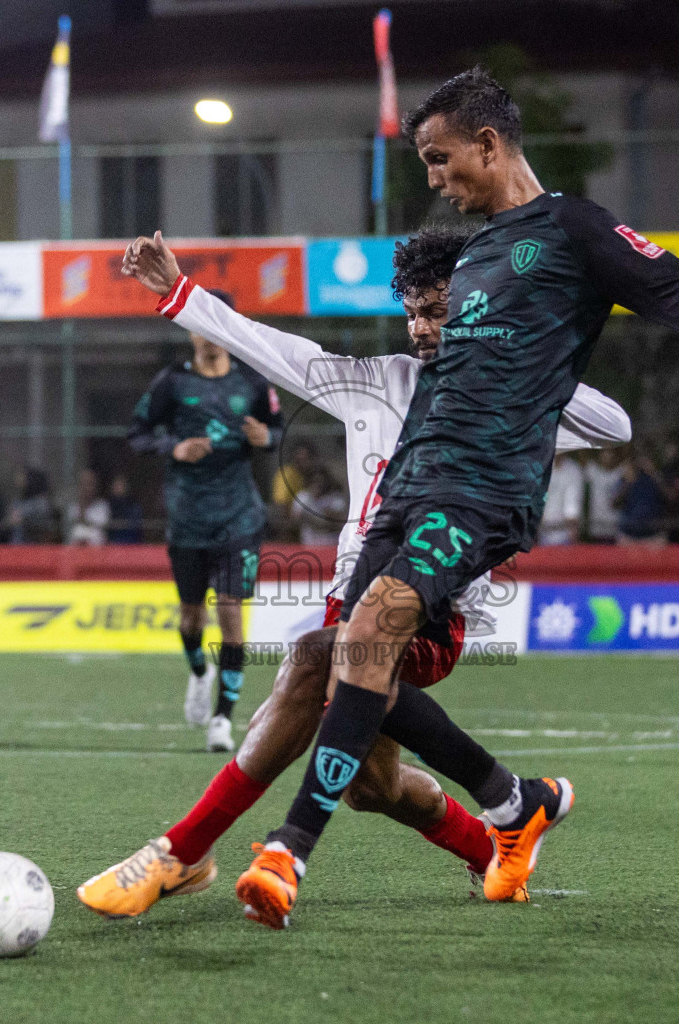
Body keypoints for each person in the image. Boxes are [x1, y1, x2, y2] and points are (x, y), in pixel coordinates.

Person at [230, 67, 679, 929]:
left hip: (482, 492)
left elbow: (668, 284)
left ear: (489, 144)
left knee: (365, 634)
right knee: (360, 670)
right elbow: (452, 378)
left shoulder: (572, 228)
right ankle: (515, 804)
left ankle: (287, 853)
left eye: (440, 159)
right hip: (417, 486)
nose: (433, 179)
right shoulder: (471, 255)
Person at [79, 225, 631, 922]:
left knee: (312, 661)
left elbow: (615, 426)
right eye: (414, 311)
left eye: (438, 310)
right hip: (353, 598)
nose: (421, 327)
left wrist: (520, 359)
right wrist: (179, 293)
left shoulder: (511, 390)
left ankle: (182, 854)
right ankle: (494, 842)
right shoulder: (374, 382)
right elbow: (270, 348)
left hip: (431, 610)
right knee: (373, 785)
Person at [127, 290, 286, 753]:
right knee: (191, 616)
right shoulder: (172, 383)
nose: (210, 334)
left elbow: (275, 430)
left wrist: (266, 437)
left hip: (240, 516)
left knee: (231, 615)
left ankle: (223, 718)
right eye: (202, 323)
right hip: (188, 518)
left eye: (220, 323)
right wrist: (172, 448)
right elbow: (137, 434)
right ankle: (200, 671)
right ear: (190, 329)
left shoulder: (253, 383)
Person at [293, 465, 348, 547]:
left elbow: (342, 524)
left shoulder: (336, 499)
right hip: (309, 544)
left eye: (321, 481)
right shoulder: (303, 497)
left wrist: (328, 516)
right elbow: (294, 522)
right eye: (314, 481)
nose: (318, 485)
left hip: (330, 544)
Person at [537, 453, 584, 545]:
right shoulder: (541, 466)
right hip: (544, 530)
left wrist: (573, 526)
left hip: (565, 531)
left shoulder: (573, 469)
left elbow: (573, 499)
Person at [7, 467, 59, 544]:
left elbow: (44, 524)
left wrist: (24, 519)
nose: (19, 482)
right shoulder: (18, 501)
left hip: (33, 544)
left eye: (23, 478)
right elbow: (11, 520)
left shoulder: (41, 502)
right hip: (16, 544)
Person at [584, 447, 624, 543]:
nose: (607, 457)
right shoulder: (593, 471)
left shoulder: (620, 472)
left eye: (610, 454)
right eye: (605, 454)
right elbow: (583, 454)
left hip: (614, 526)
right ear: (600, 455)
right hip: (596, 527)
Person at [65, 468, 111, 546]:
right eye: (83, 484)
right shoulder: (72, 507)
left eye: (89, 484)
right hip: (75, 550)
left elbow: (101, 527)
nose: (86, 488)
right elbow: (68, 530)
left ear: (95, 486)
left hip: (96, 549)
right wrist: (82, 504)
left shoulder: (103, 506)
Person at [104, 474, 143, 543]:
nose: (118, 489)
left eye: (120, 486)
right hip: (112, 544)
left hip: (130, 543)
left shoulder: (133, 507)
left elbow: (135, 529)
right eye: (116, 486)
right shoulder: (107, 506)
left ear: (126, 488)